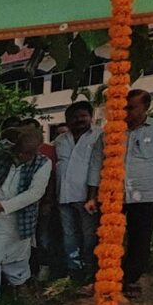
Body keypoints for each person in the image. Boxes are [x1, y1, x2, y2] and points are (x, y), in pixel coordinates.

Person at [98, 89, 153, 294]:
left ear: (146, 107)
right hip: (113, 196)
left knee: (140, 239)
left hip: (145, 195)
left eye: (131, 108)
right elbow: (97, 163)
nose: (125, 112)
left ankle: (131, 278)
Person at [0, 122, 56, 302]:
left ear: (37, 150)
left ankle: (20, 291)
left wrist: (4, 206)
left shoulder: (43, 163)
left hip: (22, 219)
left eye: (27, 153)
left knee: (18, 258)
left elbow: (35, 193)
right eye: (18, 151)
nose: (21, 156)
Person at [51, 98, 100, 278]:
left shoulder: (99, 136)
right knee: (69, 234)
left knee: (89, 234)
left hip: (87, 195)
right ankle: (74, 267)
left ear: (91, 116)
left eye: (82, 116)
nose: (78, 120)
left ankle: (89, 266)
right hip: (63, 195)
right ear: (67, 120)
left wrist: (93, 196)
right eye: (74, 117)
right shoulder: (60, 140)